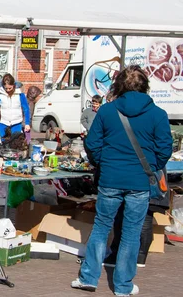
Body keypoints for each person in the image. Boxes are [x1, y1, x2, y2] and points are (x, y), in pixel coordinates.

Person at [72, 65, 172, 296]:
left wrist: (103, 163)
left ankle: (89, 278)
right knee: (130, 232)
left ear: (119, 86)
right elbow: (165, 148)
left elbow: (92, 144)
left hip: (111, 178)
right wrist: (151, 167)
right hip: (139, 181)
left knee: (102, 226)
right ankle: (123, 286)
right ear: (145, 86)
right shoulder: (157, 114)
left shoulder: (107, 111)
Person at [0, 73, 30, 138]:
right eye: (6, 88)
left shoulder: (20, 94)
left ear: (14, 85)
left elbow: (26, 109)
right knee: (2, 143)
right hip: (2, 122)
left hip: (16, 122)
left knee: (16, 143)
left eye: (10, 88)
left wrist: (27, 123)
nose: (8, 90)